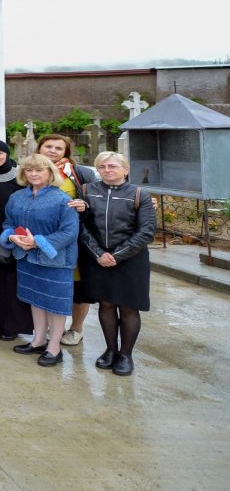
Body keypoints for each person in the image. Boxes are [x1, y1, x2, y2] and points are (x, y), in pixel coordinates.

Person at [80, 151, 156, 376]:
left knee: (129, 307)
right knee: (106, 305)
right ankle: (110, 350)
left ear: (125, 169)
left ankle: (126, 354)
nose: (107, 170)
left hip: (131, 259)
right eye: (102, 167)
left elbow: (147, 232)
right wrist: (98, 253)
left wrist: (117, 255)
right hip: (98, 257)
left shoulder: (139, 194)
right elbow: (82, 226)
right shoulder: (87, 192)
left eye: (112, 166)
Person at [1, 154, 79, 366]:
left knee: (54, 304)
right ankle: (38, 340)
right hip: (26, 258)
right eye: (29, 170)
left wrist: (37, 242)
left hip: (56, 261)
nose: (34, 174)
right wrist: (11, 236)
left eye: (39, 170)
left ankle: (54, 348)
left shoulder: (63, 199)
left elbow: (70, 233)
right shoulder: (17, 197)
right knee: (36, 300)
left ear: (50, 173)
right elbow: (8, 222)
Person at [37, 134, 97, 347]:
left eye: (58, 148)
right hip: (41, 238)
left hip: (74, 238)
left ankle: (76, 328)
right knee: (47, 283)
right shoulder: (30, 170)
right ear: (40, 148)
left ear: (66, 153)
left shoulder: (79, 173)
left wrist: (85, 205)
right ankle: (49, 328)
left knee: (77, 285)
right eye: (48, 146)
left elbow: (99, 199)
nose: (52, 151)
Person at [0, 139, 32, 341]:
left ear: (6, 153)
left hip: (12, 236)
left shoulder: (21, 176)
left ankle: (11, 325)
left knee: (11, 284)